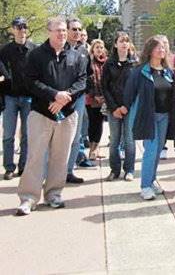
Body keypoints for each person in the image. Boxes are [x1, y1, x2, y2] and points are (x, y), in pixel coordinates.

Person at [16, 17, 87, 215]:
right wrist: (53, 95)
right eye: (58, 30)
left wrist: (64, 98)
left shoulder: (77, 55)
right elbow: (30, 81)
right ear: (49, 32)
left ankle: (54, 194)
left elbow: (82, 81)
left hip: (67, 114)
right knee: (36, 157)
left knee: (60, 157)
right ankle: (28, 198)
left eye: (64, 30)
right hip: (41, 113)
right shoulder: (36, 55)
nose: (62, 34)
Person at [122, 35, 175, 200]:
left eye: (164, 47)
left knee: (157, 150)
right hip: (147, 116)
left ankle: (152, 179)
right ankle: (145, 186)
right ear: (150, 50)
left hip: (164, 116)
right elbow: (129, 93)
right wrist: (124, 108)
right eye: (158, 47)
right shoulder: (140, 71)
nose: (162, 50)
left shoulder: (168, 71)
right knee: (152, 149)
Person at [0, 16, 36, 180]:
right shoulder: (4, 51)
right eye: (19, 27)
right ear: (13, 29)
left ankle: (23, 166)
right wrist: (6, 79)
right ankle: (9, 167)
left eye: (24, 27)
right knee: (8, 134)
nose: (22, 30)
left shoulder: (34, 50)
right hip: (10, 97)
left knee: (27, 135)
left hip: (29, 97)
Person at [102, 31, 137, 181]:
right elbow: (105, 87)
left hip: (129, 107)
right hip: (113, 107)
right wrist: (114, 107)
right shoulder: (108, 64)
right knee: (114, 140)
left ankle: (129, 169)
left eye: (126, 41)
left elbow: (136, 87)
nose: (124, 44)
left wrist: (126, 106)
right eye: (121, 41)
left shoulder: (134, 63)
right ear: (115, 44)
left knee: (130, 139)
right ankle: (114, 169)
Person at [66, 18, 93, 183]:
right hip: (62, 97)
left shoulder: (84, 51)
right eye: (73, 29)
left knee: (76, 137)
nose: (77, 32)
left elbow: (87, 74)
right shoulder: (61, 49)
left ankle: (69, 171)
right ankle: (52, 172)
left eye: (79, 29)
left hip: (79, 98)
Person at [157, 34, 175, 160]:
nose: (164, 46)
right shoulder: (156, 60)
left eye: (166, 43)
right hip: (161, 98)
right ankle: (162, 147)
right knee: (162, 124)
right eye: (162, 44)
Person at [86, 39, 108, 161]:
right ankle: (91, 149)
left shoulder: (106, 62)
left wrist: (104, 96)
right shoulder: (88, 62)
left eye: (101, 47)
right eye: (97, 47)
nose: (99, 49)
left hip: (104, 98)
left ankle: (95, 148)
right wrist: (94, 95)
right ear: (93, 49)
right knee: (92, 123)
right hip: (91, 98)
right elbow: (87, 80)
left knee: (99, 124)